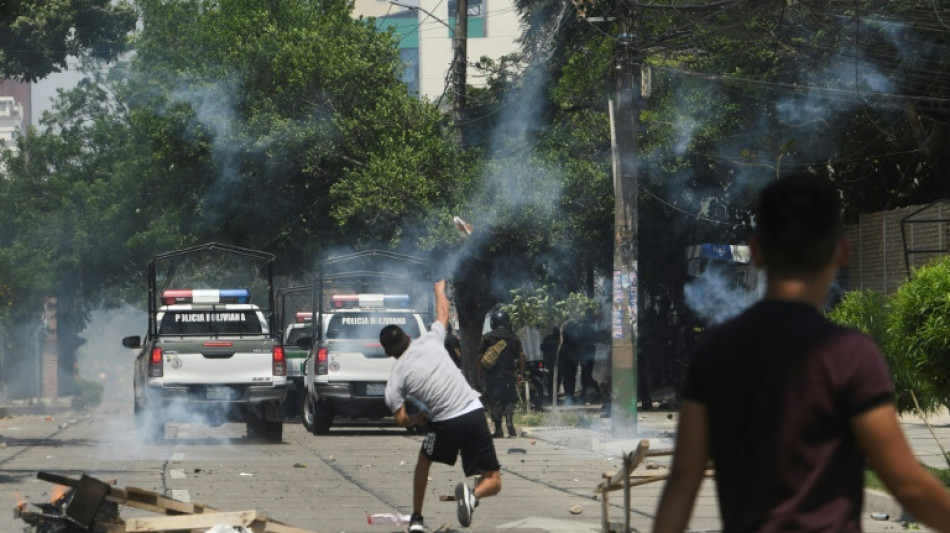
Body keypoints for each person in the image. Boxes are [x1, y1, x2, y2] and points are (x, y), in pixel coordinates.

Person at [652, 174, 950, 532]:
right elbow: (909, 484)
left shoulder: (713, 353)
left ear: (758, 251)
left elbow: (684, 480)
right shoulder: (849, 355)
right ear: (842, 251)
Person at [381, 280, 501, 532]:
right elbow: (444, 313)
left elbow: (401, 420)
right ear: (408, 337)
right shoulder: (431, 340)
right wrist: (439, 289)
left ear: (388, 353)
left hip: (445, 423)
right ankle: (474, 495)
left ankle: (416, 518)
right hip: (472, 411)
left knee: (424, 460)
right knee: (494, 480)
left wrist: (419, 418)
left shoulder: (396, 378)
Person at [478, 309, 526, 438]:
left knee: (495, 400)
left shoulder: (488, 337)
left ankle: (498, 428)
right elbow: (521, 356)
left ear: (493, 322)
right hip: (509, 374)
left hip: (492, 376)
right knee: (509, 398)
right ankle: (509, 421)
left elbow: (479, 356)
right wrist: (521, 374)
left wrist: (480, 374)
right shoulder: (514, 337)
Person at [540, 327, 560, 401]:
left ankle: (551, 395)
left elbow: (542, 348)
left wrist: (545, 360)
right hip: (557, 362)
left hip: (550, 362)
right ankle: (553, 395)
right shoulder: (560, 340)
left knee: (551, 379)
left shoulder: (548, 338)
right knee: (556, 379)